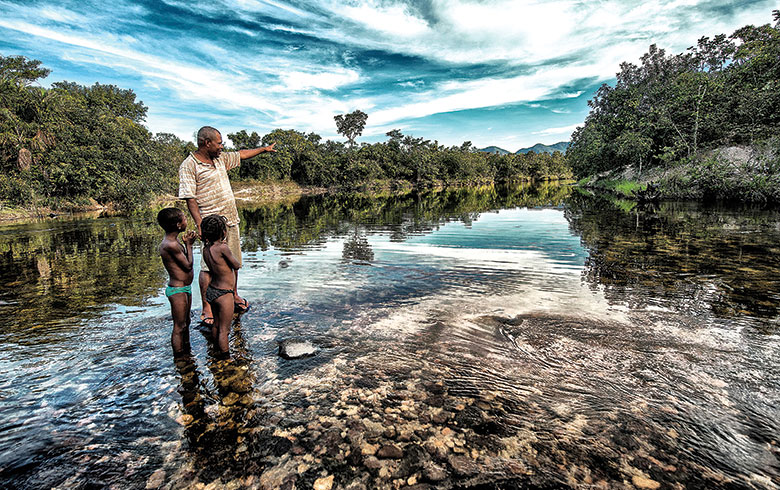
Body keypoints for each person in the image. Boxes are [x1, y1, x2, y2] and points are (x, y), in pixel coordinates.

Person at [178, 126, 276, 325]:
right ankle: (206, 307)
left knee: (233, 261)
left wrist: (263, 149)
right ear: (207, 143)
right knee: (208, 267)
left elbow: (241, 155)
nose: (222, 146)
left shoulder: (220, 159)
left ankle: (234, 295)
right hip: (211, 225)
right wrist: (200, 224)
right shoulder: (189, 165)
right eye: (219, 142)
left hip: (230, 220)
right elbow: (190, 197)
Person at [157, 207, 198, 359]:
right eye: (184, 218)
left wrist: (186, 243)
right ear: (178, 225)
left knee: (186, 322)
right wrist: (189, 245)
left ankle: (186, 351)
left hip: (184, 288)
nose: (187, 220)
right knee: (179, 326)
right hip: (177, 290)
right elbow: (188, 265)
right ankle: (179, 357)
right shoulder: (170, 245)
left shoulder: (173, 242)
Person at [200, 214, 241, 357]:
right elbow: (236, 265)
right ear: (223, 232)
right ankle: (225, 357)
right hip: (224, 293)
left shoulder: (206, 249)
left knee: (216, 325)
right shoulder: (223, 248)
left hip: (212, 290)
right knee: (225, 330)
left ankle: (215, 349)